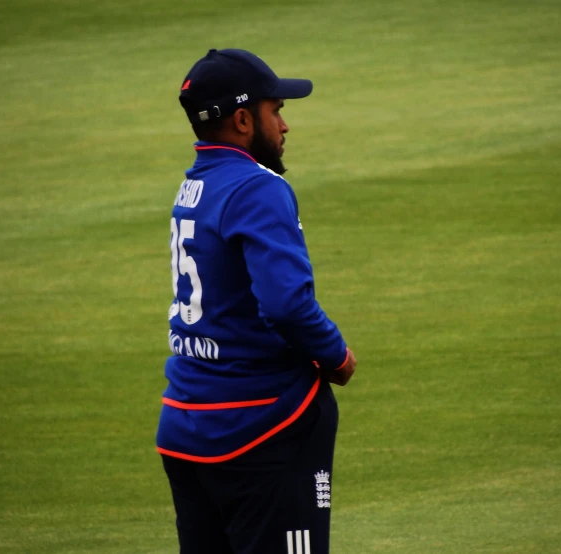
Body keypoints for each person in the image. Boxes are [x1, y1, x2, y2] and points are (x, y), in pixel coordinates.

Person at [156, 48, 357, 554]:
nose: (285, 126)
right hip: (262, 426)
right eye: (276, 111)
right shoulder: (257, 187)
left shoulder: (194, 186)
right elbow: (287, 304)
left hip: (185, 423)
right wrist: (335, 355)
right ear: (243, 120)